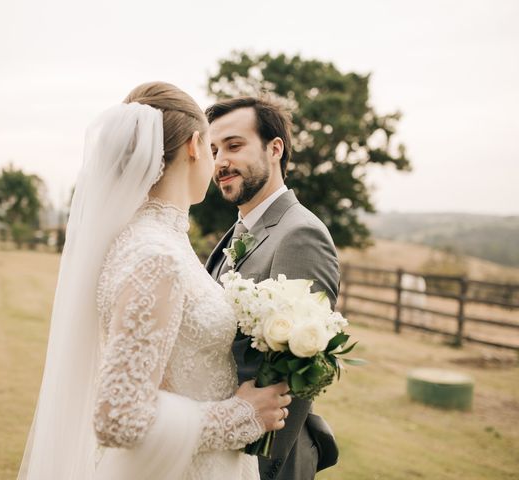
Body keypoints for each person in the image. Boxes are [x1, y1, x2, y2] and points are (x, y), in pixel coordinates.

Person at [17, 82, 292, 480]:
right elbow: (119, 417)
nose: (215, 163)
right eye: (212, 150)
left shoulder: (150, 241)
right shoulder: (155, 256)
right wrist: (241, 415)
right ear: (194, 146)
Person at [205, 97, 341, 480]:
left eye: (234, 146)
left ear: (274, 148)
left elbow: (300, 367)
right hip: (225, 446)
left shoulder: (300, 234)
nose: (219, 162)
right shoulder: (239, 230)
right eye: (213, 150)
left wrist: (259, 466)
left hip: (263, 457)